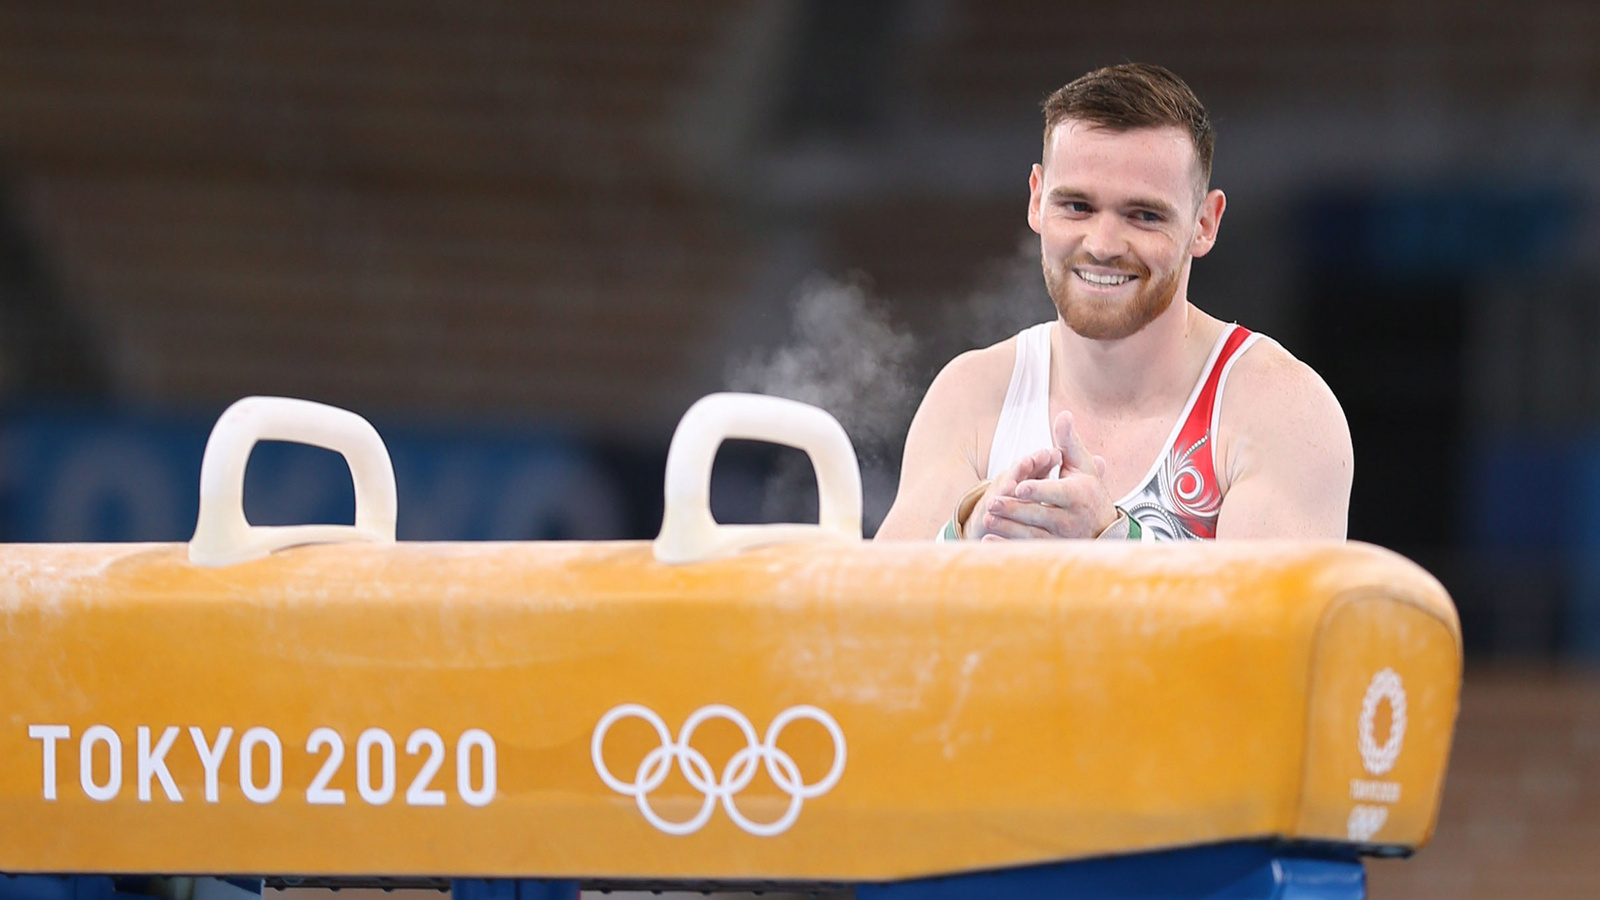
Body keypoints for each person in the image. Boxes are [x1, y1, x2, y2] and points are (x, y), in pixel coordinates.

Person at [874, 63, 1351, 542]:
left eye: (1144, 215)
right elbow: (882, 591)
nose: (1102, 245)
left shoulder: (1281, 410)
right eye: (1077, 207)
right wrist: (964, 537)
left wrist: (1115, 545)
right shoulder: (970, 396)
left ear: (1204, 223)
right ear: (1036, 200)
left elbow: (1273, 597)